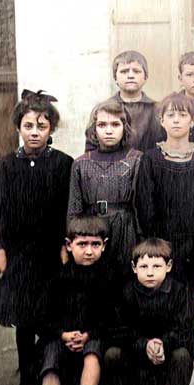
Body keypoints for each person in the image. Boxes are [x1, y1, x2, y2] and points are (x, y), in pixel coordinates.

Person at [0, 90, 73, 385]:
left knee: (50, 319)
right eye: (28, 126)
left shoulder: (63, 164)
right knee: (24, 322)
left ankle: (51, 377)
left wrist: (65, 244)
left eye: (42, 126)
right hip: (18, 254)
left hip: (51, 254)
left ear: (51, 129)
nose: (35, 132)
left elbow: (69, 209)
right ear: (18, 127)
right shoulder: (6, 166)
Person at [37, 217, 112, 385]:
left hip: (92, 337)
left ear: (104, 245)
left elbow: (111, 317)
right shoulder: (58, 278)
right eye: (82, 244)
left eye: (95, 244)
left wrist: (88, 334)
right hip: (61, 338)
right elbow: (41, 318)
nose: (89, 251)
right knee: (50, 355)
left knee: (93, 354)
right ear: (69, 245)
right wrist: (63, 334)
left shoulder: (108, 278)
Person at [106, 239, 192, 385]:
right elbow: (120, 330)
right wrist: (144, 345)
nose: (150, 272)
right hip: (136, 354)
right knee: (112, 354)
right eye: (144, 267)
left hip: (167, 353)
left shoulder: (179, 291)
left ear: (168, 266)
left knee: (182, 355)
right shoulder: (126, 292)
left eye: (157, 266)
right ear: (134, 268)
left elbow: (183, 328)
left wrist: (163, 344)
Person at [68, 98, 143, 281]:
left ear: (125, 127)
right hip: (92, 230)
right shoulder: (80, 163)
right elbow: (74, 208)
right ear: (94, 129)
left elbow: (141, 205)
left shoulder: (136, 159)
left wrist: (142, 240)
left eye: (115, 124)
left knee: (124, 279)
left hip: (125, 229)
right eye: (102, 125)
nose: (109, 130)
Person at [137, 92, 194, 285]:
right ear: (162, 121)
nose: (176, 120)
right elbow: (145, 204)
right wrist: (155, 241)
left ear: (192, 121)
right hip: (162, 239)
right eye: (170, 115)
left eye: (183, 115)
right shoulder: (151, 158)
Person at [106, 50, 163, 152]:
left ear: (145, 77)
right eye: (124, 71)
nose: (130, 76)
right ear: (115, 77)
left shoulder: (158, 109)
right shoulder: (104, 109)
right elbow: (92, 148)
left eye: (136, 71)